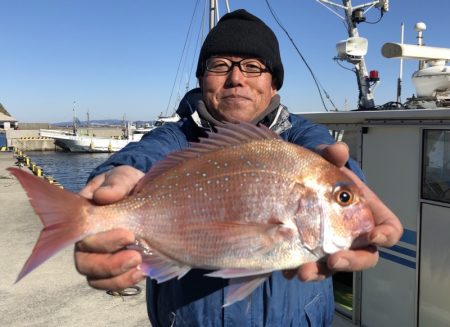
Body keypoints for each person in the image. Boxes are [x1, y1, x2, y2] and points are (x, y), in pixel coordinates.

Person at [75, 9, 402, 327]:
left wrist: (351, 187)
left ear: (274, 84)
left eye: (252, 66)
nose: (236, 78)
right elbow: (145, 154)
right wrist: (112, 183)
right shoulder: (176, 139)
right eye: (220, 66)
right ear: (203, 79)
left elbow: (329, 158)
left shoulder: (300, 140)